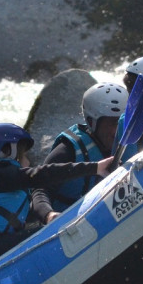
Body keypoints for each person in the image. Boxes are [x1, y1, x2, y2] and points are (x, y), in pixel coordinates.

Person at [0, 123, 114, 284]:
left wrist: (49, 215)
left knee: (38, 230)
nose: (27, 161)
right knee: (45, 236)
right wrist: (94, 168)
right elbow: (38, 175)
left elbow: (36, 203)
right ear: (6, 151)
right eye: (23, 155)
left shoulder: (4, 186)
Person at [32, 82, 128, 215]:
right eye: (111, 123)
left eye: (122, 122)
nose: (117, 131)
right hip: (69, 224)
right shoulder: (69, 150)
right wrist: (48, 215)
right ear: (91, 122)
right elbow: (40, 188)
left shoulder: (131, 140)